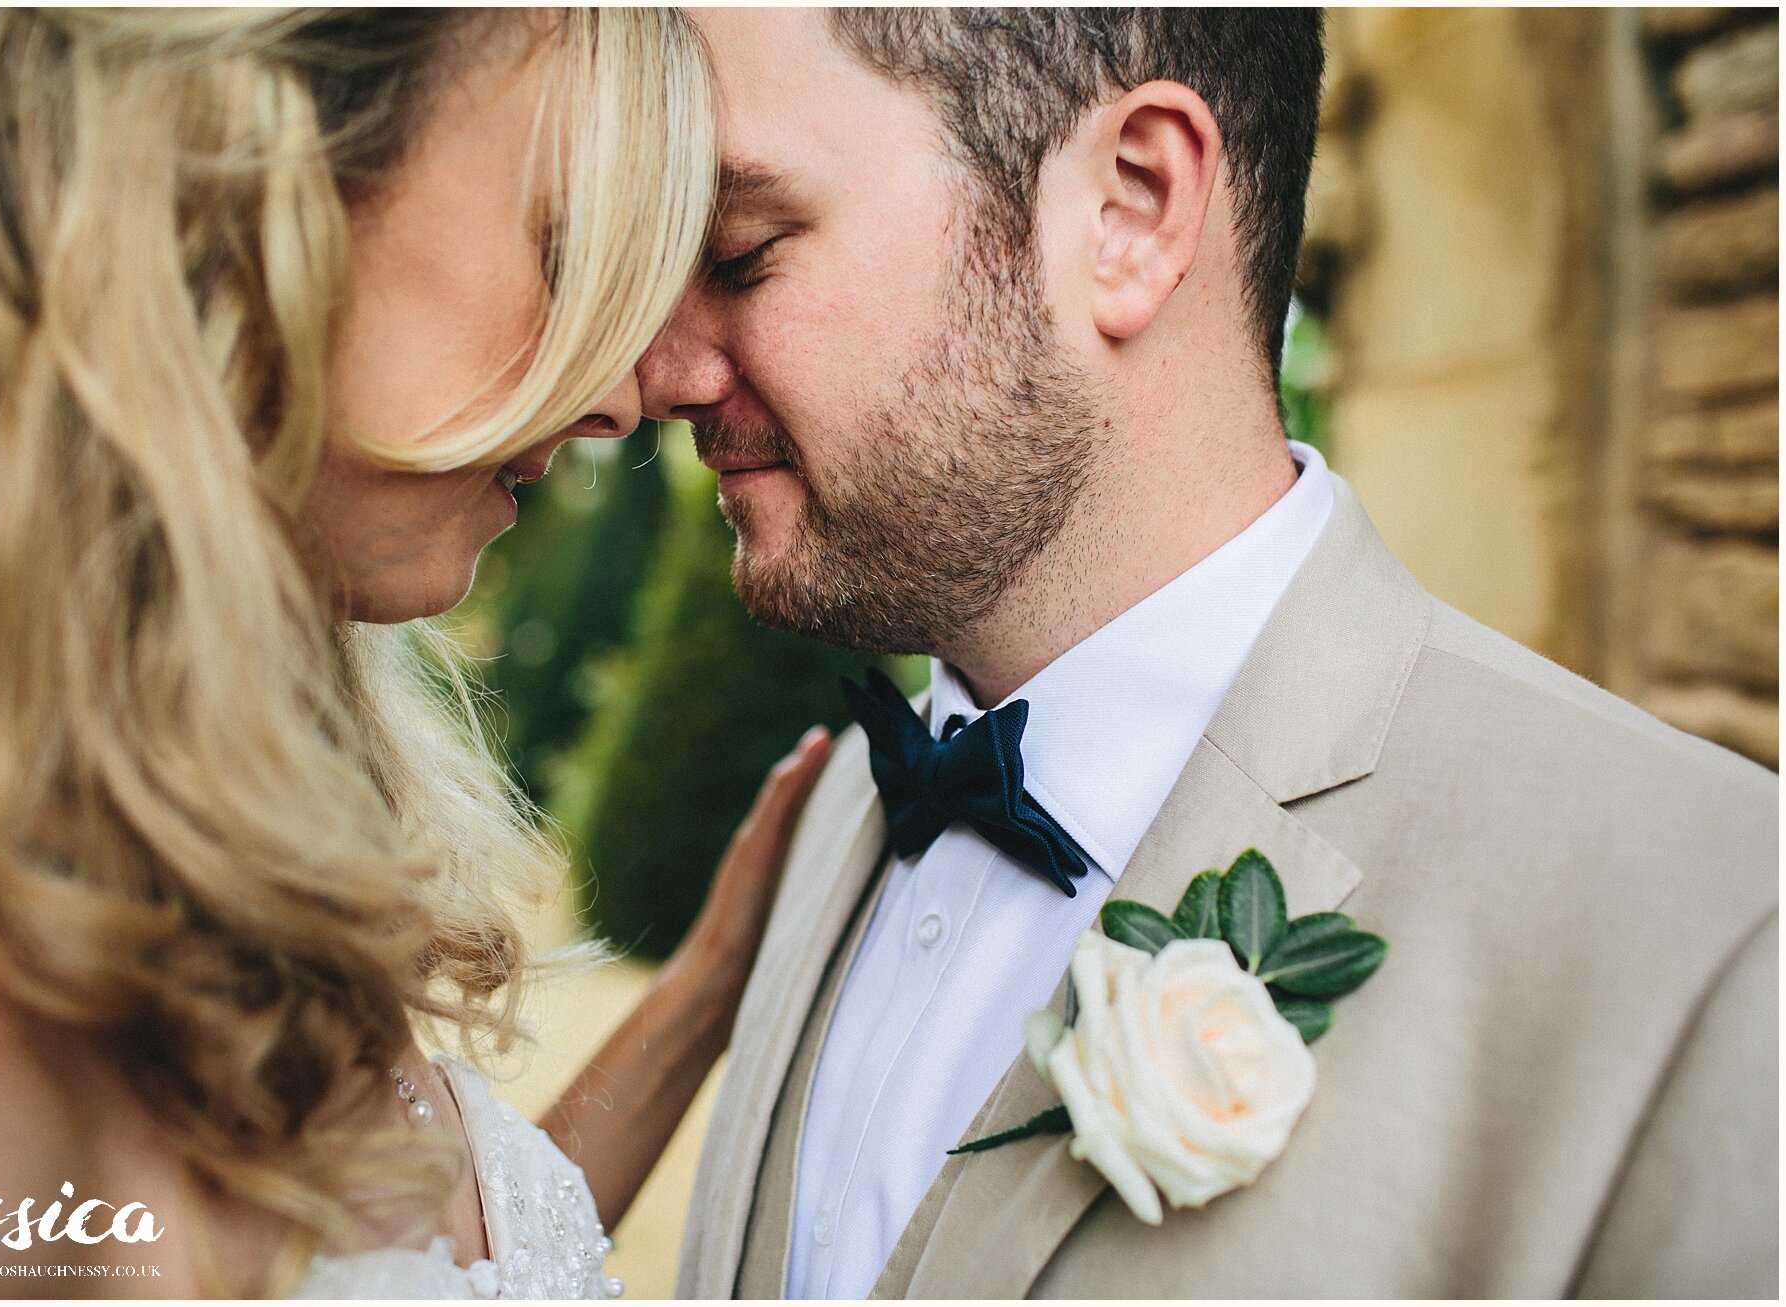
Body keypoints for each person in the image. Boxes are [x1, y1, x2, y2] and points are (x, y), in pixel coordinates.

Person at [640, 8, 1777, 1299]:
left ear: (1129, 208)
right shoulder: (832, 814)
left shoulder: (1719, 958)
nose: (659, 372)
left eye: (738, 254)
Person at [0, 8, 831, 1299]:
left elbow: (436, 1251)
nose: (622, 398)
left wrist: (706, 990)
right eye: (566, 246)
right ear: (255, 185)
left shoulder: (214, 840)